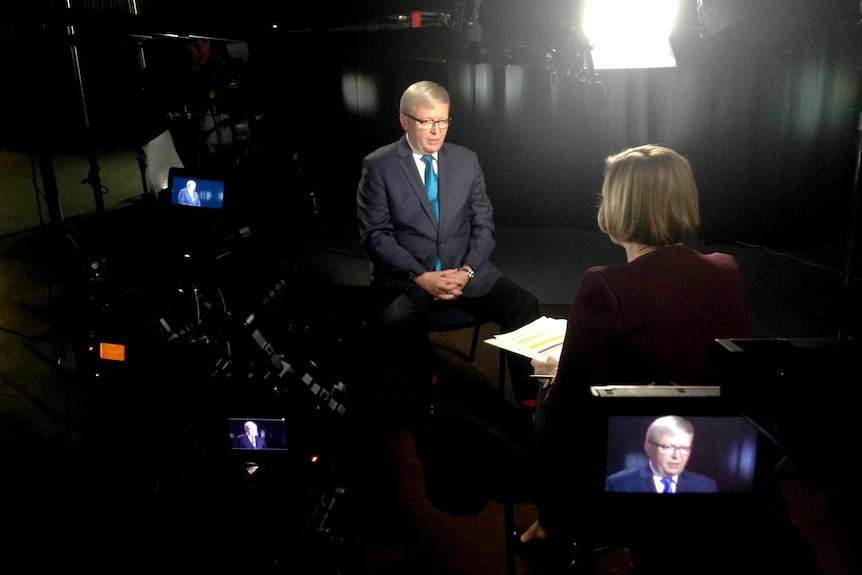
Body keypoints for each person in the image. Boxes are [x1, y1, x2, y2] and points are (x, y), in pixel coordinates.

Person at [515, 144, 750, 549]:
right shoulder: (727, 269)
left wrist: (555, 373)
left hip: (620, 450)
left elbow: (568, 405)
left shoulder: (604, 285)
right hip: (711, 445)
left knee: (547, 399)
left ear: (617, 209)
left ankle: (554, 521)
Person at [356, 80, 540, 416]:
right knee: (397, 321)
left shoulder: (467, 161)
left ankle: (530, 404)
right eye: (426, 121)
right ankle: (424, 391)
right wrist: (422, 276)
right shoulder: (379, 165)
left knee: (523, 304)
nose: (436, 131)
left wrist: (467, 271)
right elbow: (375, 235)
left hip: (465, 271)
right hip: (407, 276)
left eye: (443, 121)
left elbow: (484, 226)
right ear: (405, 120)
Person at [605, 415, 718, 493]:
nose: (676, 456)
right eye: (667, 447)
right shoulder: (618, 484)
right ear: (648, 448)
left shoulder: (706, 486)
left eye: (684, 448)